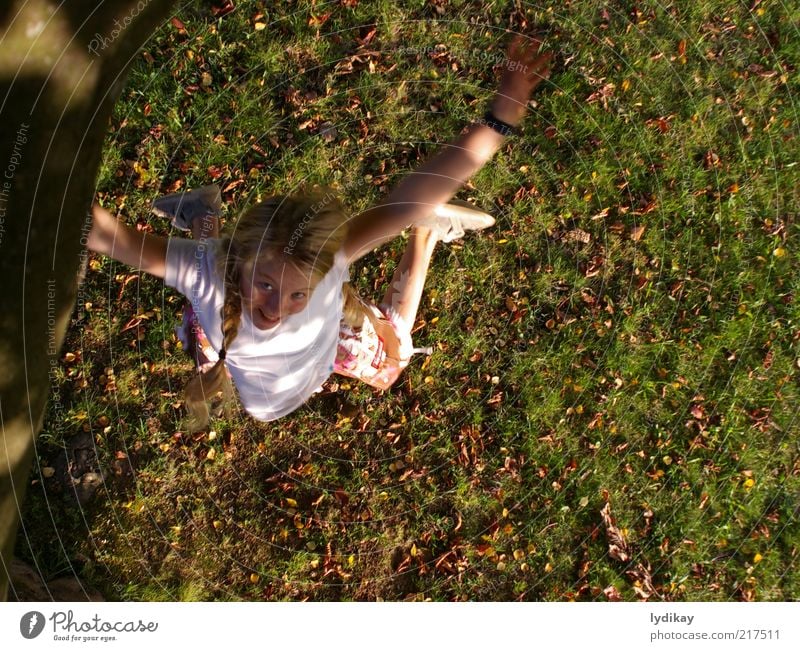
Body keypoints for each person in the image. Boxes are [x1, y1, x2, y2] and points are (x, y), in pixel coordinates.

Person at [87, 35, 552, 431]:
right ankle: (199, 212)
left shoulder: (325, 257)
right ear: (241, 256)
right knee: (390, 360)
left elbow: (419, 190)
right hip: (247, 361)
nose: (276, 309)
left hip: (283, 358)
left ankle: (420, 228)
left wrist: (501, 118)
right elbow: (114, 239)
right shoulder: (208, 270)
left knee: (384, 361)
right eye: (266, 284)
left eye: (296, 295)